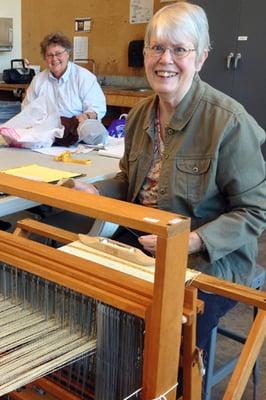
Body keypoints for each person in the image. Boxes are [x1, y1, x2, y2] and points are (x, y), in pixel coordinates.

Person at [72, 1, 266, 392]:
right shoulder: (142, 115)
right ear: (144, 54)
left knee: (166, 328)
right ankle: (114, 379)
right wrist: (96, 189)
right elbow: (130, 180)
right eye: (157, 48)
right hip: (144, 241)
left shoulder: (229, 122)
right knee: (82, 288)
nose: (166, 60)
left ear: (202, 57)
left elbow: (254, 212)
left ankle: (169, 384)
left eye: (180, 49)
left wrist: (192, 240)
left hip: (210, 261)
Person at [22, 32, 107, 145]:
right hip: (47, 135)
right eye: (50, 55)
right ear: (45, 58)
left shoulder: (84, 77)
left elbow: (97, 109)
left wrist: (85, 116)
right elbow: (27, 110)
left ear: (68, 54)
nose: (54, 59)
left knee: (90, 130)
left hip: (78, 135)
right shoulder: (38, 80)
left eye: (58, 54)